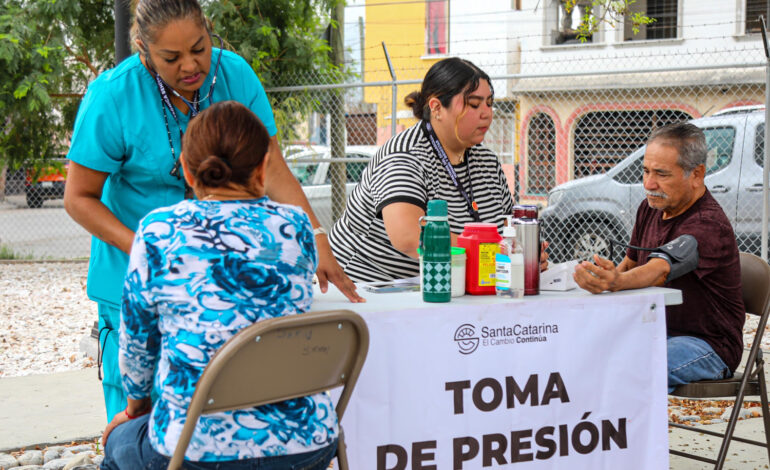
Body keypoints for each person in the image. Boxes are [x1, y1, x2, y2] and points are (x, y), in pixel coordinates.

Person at [64, 0, 361, 422]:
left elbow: (271, 165)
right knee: (140, 411)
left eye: (199, 48)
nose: (191, 65)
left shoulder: (235, 74)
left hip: (227, 278)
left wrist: (316, 238)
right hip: (134, 272)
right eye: (171, 57)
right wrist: (151, 252)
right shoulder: (112, 97)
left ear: (209, 29)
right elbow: (78, 197)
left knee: (232, 407)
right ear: (143, 50)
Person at [100, 101, 338, 470]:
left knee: (119, 442)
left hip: (196, 450)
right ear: (262, 168)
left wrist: (136, 408)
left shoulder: (158, 231)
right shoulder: (296, 226)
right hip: (306, 445)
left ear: (189, 174)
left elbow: (137, 341)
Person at [572, 122, 745, 392]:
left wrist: (615, 281)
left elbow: (660, 269)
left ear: (697, 174)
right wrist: (607, 275)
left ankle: (633, 433)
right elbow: (630, 264)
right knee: (581, 354)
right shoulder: (650, 207)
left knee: (631, 369)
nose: (648, 184)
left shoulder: (709, 223)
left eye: (661, 174)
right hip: (655, 329)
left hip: (707, 344)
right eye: (646, 171)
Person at [329, 57, 515, 281]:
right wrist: (489, 252)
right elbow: (408, 237)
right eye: (474, 105)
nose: (486, 113)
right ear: (437, 107)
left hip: (449, 288)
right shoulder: (404, 156)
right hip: (368, 288)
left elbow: (508, 230)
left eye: (489, 103)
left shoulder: (487, 162)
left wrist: (524, 252)